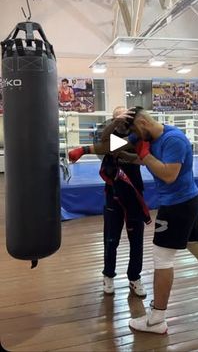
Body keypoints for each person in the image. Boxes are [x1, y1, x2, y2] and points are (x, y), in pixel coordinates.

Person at [122, 107, 198, 334]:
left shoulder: (175, 139)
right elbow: (113, 145)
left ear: (143, 122)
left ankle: (157, 319)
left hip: (178, 206)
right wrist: (111, 130)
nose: (133, 136)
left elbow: (168, 174)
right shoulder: (144, 135)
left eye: (134, 129)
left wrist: (145, 156)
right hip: (186, 202)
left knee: (162, 256)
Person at [69, 107, 151, 297]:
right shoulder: (107, 136)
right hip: (113, 194)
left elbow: (140, 159)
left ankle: (135, 277)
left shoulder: (136, 135)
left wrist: (121, 154)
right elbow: (103, 142)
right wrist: (115, 122)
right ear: (113, 120)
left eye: (127, 117)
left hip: (134, 193)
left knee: (136, 240)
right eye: (119, 117)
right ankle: (108, 275)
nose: (124, 120)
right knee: (111, 239)